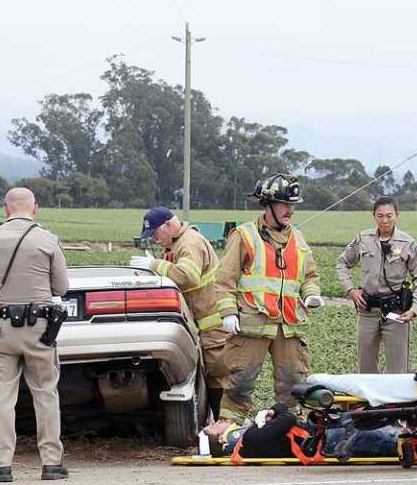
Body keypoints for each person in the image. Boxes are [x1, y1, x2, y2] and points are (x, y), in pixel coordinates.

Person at [0, 188, 69, 482]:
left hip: (0, 328)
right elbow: (61, 288)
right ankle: (52, 464)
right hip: (39, 329)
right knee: (45, 394)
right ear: (35, 209)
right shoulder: (47, 239)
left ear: (6, 209)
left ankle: (0, 465)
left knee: (1, 396)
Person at [215, 174, 323, 423]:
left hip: (289, 327)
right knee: (240, 382)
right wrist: (228, 312)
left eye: (292, 205)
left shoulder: (298, 238)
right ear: (268, 205)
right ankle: (227, 428)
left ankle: (289, 426)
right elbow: (224, 279)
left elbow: (310, 275)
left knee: (294, 383)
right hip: (253, 324)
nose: (290, 210)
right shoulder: (244, 235)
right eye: (285, 204)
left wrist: (311, 295)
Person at [130, 206, 228, 419]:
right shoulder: (177, 244)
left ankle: (224, 426)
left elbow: (188, 276)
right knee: (208, 376)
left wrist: (155, 265)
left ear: (169, 225)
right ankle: (214, 425)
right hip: (202, 324)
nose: (155, 239)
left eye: (156, 234)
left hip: (213, 325)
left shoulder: (189, 243)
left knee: (218, 376)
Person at [336, 195, 417, 373]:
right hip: (367, 312)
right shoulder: (363, 239)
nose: (385, 220)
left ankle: (396, 402)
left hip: (396, 313)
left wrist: (414, 308)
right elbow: (342, 264)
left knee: (398, 369)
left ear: (397, 215)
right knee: (366, 368)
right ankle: (369, 402)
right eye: (380, 216)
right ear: (373, 216)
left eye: (389, 215)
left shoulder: (407, 243)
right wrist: (351, 290)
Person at [202, 403, 399, 460]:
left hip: (325, 436)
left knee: (383, 432)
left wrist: (273, 412)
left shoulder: (249, 443)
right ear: (221, 439)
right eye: (212, 427)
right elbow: (287, 417)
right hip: (329, 439)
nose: (216, 422)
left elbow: (282, 415)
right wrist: (274, 411)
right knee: (389, 438)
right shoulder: (251, 439)